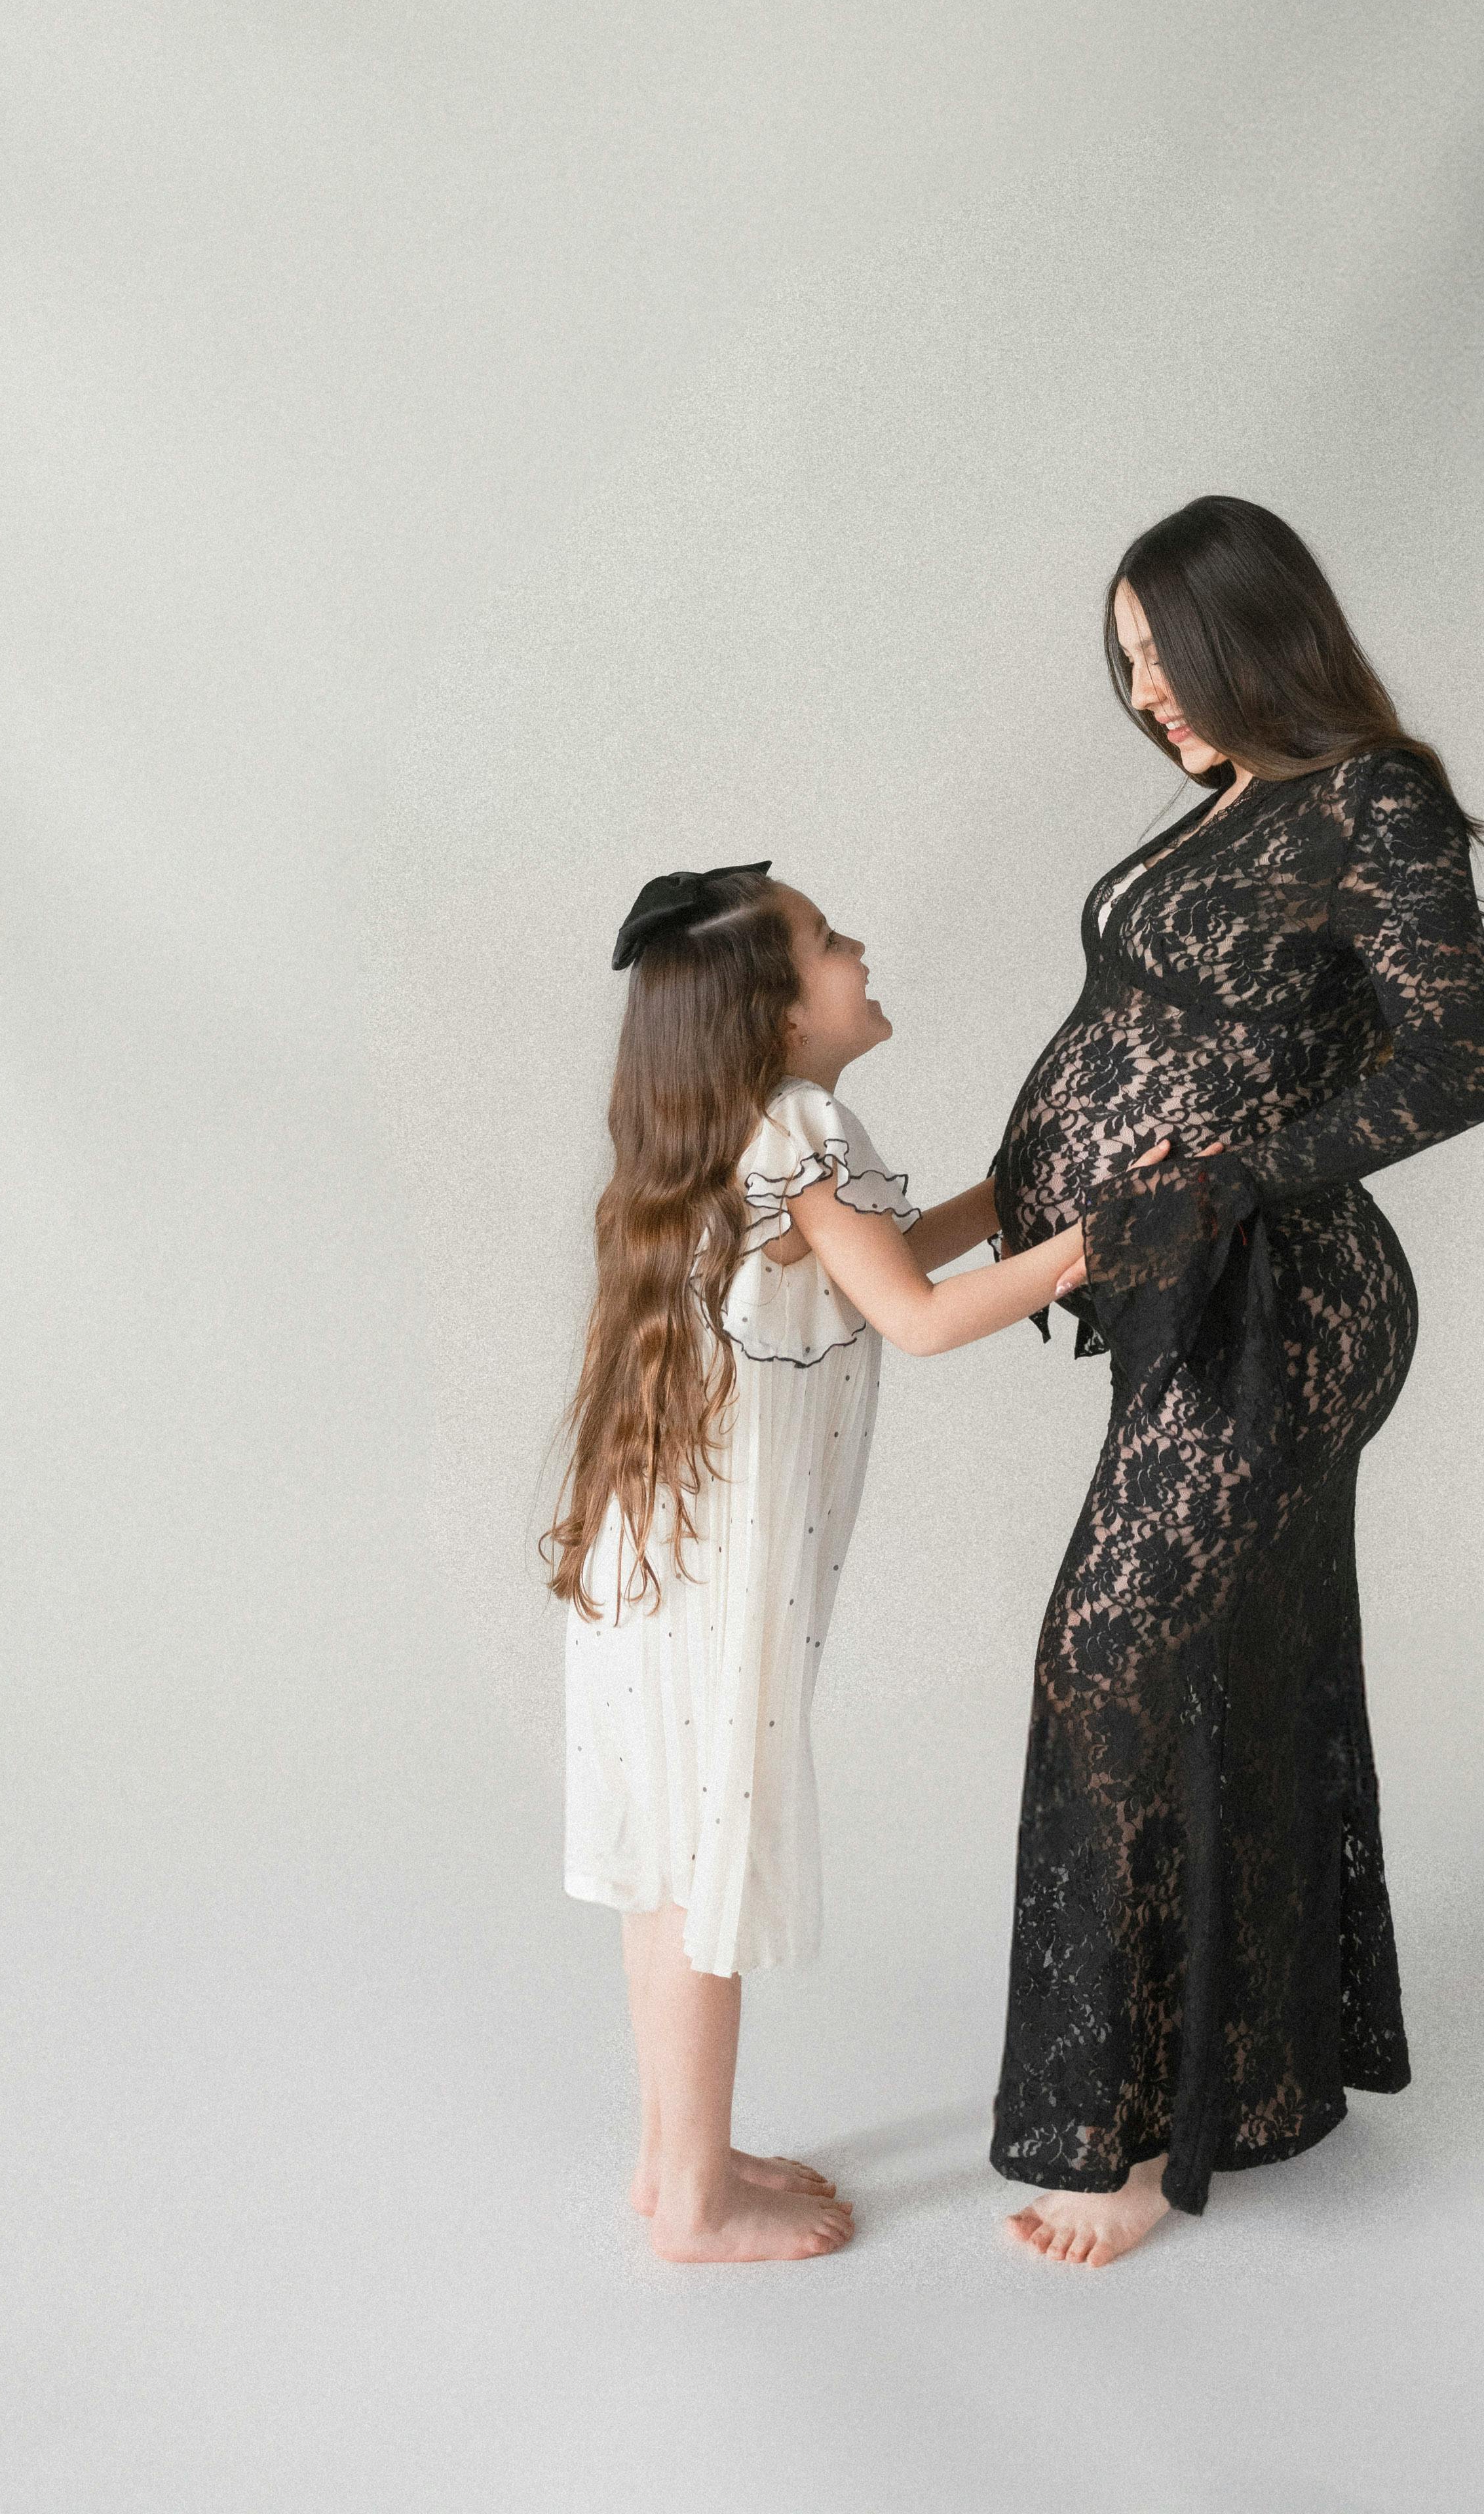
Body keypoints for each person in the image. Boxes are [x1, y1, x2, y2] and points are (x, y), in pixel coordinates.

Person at [989, 495, 1484, 2263]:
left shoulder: (1374, 793)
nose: (1148, 692)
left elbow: (1469, 1063)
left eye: (1171, 654)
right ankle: (1256, 2080)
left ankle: (1127, 2139)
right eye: (1125, 661)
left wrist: (1231, 1178)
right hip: (1181, 1294)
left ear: (1257, 634)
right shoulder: (1217, 811)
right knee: (1223, 1667)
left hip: (1288, 1299)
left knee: (1113, 1654)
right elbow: (1134, 1048)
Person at [548, 860, 1084, 2266]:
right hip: (716, 1576)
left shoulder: (735, 1128)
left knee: (667, 1861)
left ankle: (676, 2162)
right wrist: (1094, 1243)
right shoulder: (799, 1121)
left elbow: (878, 1258)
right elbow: (910, 1315)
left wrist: (1009, 1196)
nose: (860, 949)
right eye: (829, 940)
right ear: (779, 1016)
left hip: (650, 1559)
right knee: (704, 1848)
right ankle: (702, 2207)